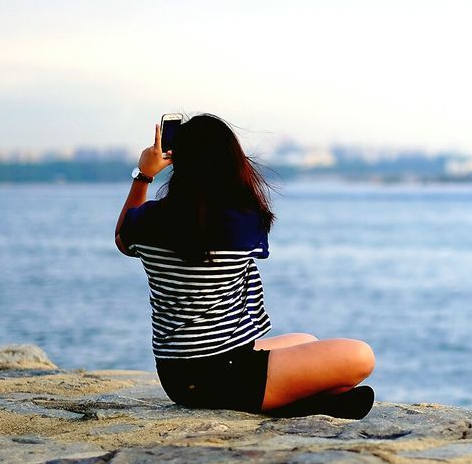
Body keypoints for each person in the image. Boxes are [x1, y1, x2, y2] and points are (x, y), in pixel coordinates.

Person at [113, 113, 376, 419]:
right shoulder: (240, 222)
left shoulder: (148, 221)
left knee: (306, 341)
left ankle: (301, 403)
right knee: (361, 357)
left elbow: (122, 237)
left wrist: (144, 176)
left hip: (178, 376)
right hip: (223, 372)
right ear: (230, 161)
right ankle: (298, 406)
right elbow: (247, 210)